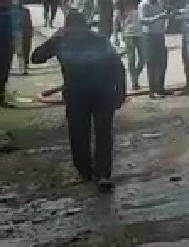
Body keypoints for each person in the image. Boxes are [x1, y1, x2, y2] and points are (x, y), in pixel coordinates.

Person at [31, 12, 126, 193]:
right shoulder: (60, 42)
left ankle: (103, 174)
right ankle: (85, 171)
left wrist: (121, 92)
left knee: (103, 132)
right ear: (66, 29)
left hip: (103, 93)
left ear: (86, 27)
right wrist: (53, 39)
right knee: (78, 134)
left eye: (79, 29)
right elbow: (36, 58)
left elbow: (117, 66)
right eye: (71, 30)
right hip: (76, 96)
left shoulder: (100, 40)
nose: (76, 33)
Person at [139, 0, 170, 99]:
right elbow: (142, 20)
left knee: (162, 62)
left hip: (160, 35)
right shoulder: (144, 5)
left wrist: (166, 19)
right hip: (149, 36)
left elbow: (163, 15)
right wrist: (158, 17)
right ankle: (152, 90)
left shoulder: (158, 3)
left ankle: (160, 88)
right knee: (151, 64)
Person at [114, 0, 145, 90]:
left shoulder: (140, 1)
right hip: (128, 33)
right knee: (131, 59)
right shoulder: (121, 2)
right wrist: (116, 36)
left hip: (141, 33)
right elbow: (116, 19)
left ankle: (135, 75)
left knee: (143, 58)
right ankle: (134, 81)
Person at [0, 0, 13, 107]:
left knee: (3, 75)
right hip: (5, 48)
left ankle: (2, 98)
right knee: (3, 75)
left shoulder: (8, 13)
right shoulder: (7, 14)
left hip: (6, 47)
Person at [15, 0, 32, 75]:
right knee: (20, 50)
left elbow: (29, 21)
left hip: (25, 31)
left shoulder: (26, 11)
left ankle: (25, 65)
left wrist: (30, 30)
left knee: (25, 49)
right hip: (18, 31)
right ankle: (23, 66)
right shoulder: (11, 10)